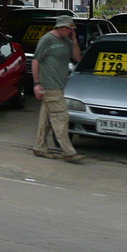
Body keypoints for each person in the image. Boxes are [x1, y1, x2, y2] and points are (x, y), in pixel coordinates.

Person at [32, 15, 84, 163]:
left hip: (59, 85)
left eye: (71, 28)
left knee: (46, 118)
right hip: (50, 85)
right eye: (68, 28)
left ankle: (40, 146)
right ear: (59, 27)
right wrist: (37, 84)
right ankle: (68, 152)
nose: (70, 30)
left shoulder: (67, 41)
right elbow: (36, 60)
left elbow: (77, 57)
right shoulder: (47, 39)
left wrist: (74, 40)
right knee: (61, 116)